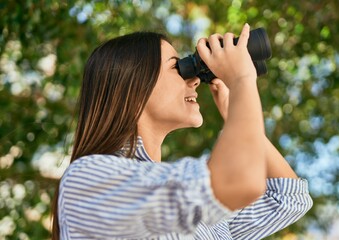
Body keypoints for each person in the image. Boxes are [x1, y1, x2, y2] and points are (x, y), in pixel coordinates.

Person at [51, 24, 313, 239]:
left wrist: (236, 109)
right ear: (133, 85)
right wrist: (242, 79)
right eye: (178, 67)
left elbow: (288, 198)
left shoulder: (200, 213)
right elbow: (240, 181)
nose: (195, 79)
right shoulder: (88, 181)